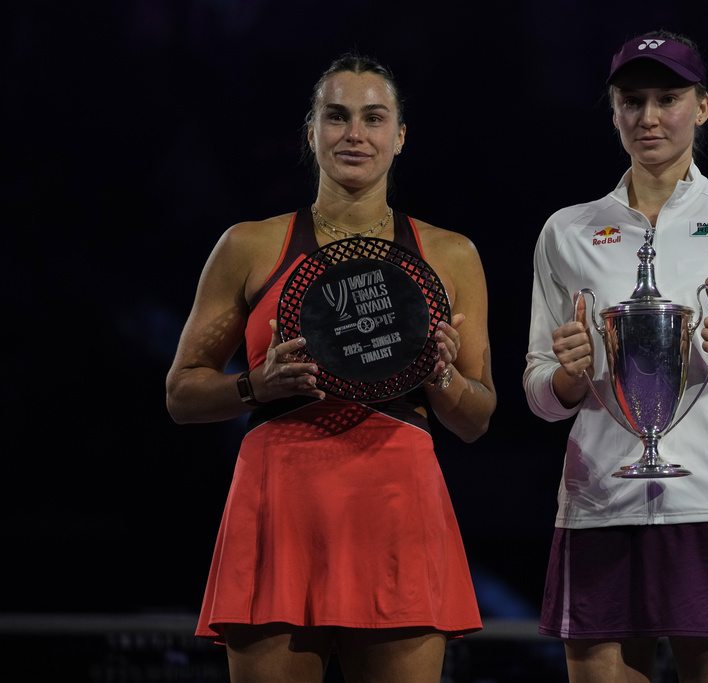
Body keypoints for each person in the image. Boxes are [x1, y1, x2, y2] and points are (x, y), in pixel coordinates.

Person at [166, 53, 496, 683]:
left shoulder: (452, 255)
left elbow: (477, 417)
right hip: (280, 500)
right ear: (311, 131)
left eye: (374, 118)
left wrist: (441, 376)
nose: (355, 134)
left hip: (398, 504)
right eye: (337, 116)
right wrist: (252, 385)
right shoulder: (248, 245)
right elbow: (181, 392)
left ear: (399, 137)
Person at [523, 31, 708, 682]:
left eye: (668, 98)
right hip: (600, 504)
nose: (649, 117)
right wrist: (568, 376)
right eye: (632, 101)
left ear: (703, 106)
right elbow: (541, 394)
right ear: (612, 111)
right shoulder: (566, 230)